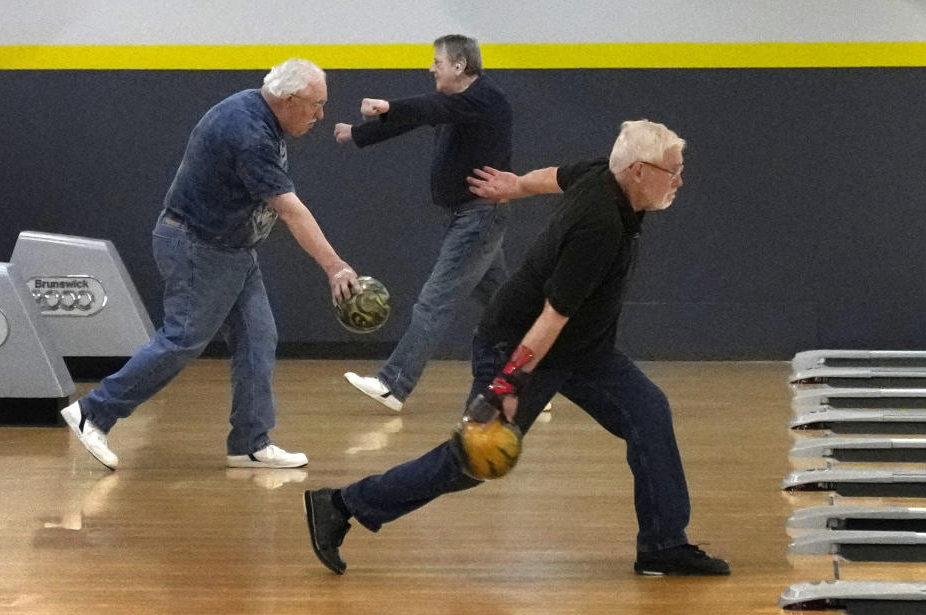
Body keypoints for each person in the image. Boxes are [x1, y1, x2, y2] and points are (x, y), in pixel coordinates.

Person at [304, 120, 730, 577]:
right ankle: (341, 504)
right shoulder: (599, 227)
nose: (680, 181)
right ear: (640, 171)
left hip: (582, 351)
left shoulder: (602, 173)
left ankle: (663, 546)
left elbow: (552, 176)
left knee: (649, 412)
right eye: (674, 170)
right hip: (519, 346)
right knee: (471, 462)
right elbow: (551, 317)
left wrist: (516, 185)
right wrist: (507, 382)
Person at [62, 59, 361, 471]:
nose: (320, 115)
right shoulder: (249, 132)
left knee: (258, 339)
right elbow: (291, 211)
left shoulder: (260, 112)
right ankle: (93, 411)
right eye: (316, 105)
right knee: (182, 339)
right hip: (197, 246)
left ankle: (250, 442)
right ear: (289, 99)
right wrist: (335, 266)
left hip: (233, 249)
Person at [334, 34, 512, 413]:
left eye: (437, 61)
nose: (431, 67)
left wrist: (388, 105)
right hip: (471, 217)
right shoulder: (459, 105)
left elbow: (425, 108)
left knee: (434, 301)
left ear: (460, 66)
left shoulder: (485, 99)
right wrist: (358, 133)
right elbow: (419, 117)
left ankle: (392, 384)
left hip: (478, 218)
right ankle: (529, 384)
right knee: (506, 305)